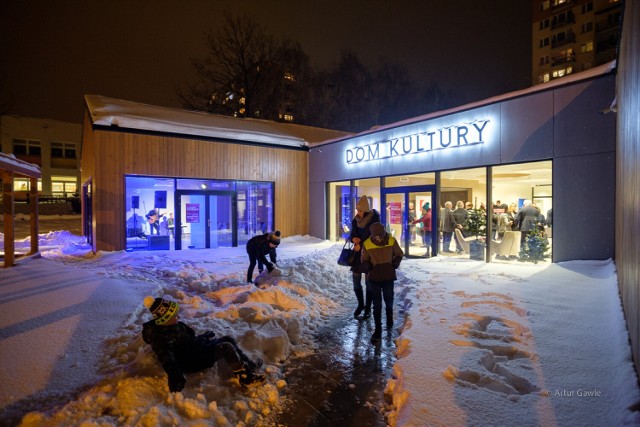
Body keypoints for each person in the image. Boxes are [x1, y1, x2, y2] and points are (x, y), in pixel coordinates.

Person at [142, 295, 264, 392]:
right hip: (191, 361)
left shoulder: (174, 325)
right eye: (174, 315)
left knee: (227, 339)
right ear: (165, 319)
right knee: (226, 347)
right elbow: (166, 357)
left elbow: (189, 342)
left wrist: (203, 337)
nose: (178, 316)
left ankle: (248, 367)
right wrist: (175, 375)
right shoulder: (161, 337)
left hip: (194, 350)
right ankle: (245, 379)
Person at [361, 222, 404, 344]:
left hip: (385, 276)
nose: (378, 238)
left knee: (387, 299)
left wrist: (393, 265)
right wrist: (370, 267)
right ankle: (378, 328)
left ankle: (388, 319)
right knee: (378, 303)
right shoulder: (368, 243)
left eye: (379, 235)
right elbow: (364, 259)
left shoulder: (390, 241)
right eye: (376, 236)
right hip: (376, 277)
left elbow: (399, 254)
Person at [349, 195, 380, 320]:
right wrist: (353, 239)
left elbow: (375, 238)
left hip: (369, 256)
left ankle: (368, 308)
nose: (358, 213)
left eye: (361, 210)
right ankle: (360, 304)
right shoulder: (355, 220)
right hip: (357, 256)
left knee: (369, 284)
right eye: (357, 210)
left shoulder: (375, 220)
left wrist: (361, 244)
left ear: (366, 210)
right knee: (356, 281)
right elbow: (352, 234)